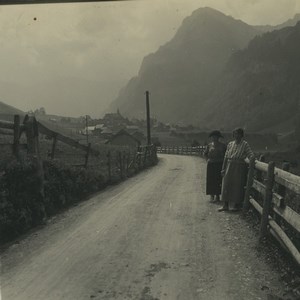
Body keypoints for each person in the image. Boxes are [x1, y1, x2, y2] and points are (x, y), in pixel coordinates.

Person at [218, 127, 254, 212]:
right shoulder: (230, 144)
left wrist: (252, 161)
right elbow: (226, 157)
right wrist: (223, 168)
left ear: (242, 135)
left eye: (238, 134)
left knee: (237, 186)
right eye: (235, 134)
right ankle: (225, 205)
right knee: (226, 184)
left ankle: (236, 206)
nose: (236, 136)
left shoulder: (245, 144)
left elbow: (251, 155)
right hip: (229, 165)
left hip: (239, 167)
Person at [204, 130, 227, 203]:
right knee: (211, 180)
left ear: (218, 138)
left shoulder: (223, 145)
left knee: (218, 180)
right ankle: (211, 196)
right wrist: (208, 159)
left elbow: (226, 155)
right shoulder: (209, 145)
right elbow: (205, 153)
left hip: (219, 164)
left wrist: (224, 163)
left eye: (216, 137)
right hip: (211, 164)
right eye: (213, 137)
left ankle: (217, 196)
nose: (214, 138)